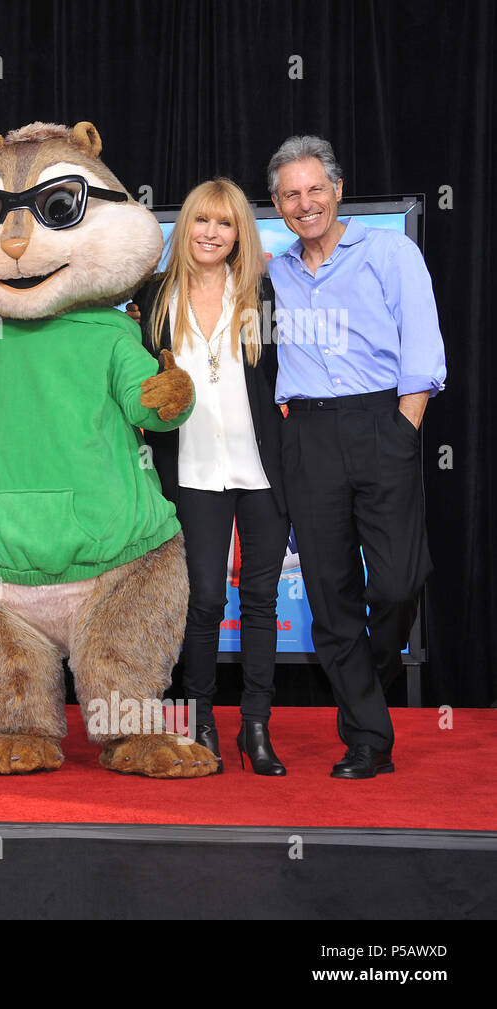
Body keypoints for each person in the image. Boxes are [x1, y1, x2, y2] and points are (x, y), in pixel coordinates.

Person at [266, 135, 446, 779]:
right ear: (278, 204)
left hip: (382, 424)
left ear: (338, 190)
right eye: (291, 194)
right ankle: (369, 737)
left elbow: (422, 347)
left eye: (315, 189)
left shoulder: (391, 251)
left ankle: (367, 677)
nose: (305, 202)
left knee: (398, 582)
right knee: (329, 592)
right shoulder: (276, 272)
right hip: (307, 436)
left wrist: (403, 428)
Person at [130, 179, 290, 775]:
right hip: (191, 472)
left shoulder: (263, 296)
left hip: (263, 472)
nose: (212, 233)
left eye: (225, 225)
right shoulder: (153, 297)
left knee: (260, 601)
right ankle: (200, 721)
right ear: (186, 227)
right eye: (202, 221)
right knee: (202, 601)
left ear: (238, 234)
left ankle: (257, 727)